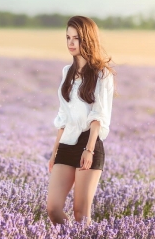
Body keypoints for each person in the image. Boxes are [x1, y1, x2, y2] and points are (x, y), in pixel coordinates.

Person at [47, 16, 115, 227]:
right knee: (53, 209)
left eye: (76, 38)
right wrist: (55, 151)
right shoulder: (67, 72)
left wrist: (89, 149)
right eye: (68, 37)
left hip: (89, 143)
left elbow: (99, 115)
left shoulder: (101, 74)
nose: (71, 43)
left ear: (87, 39)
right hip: (67, 143)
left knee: (80, 214)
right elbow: (64, 116)